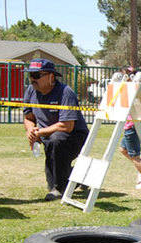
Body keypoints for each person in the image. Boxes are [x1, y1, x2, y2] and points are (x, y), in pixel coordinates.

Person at [22, 58, 88, 201]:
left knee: (56, 141)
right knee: (53, 142)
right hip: (49, 135)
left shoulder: (65, 93)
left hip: (74, 135)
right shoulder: (30, 91)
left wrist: (39, 132)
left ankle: (59, 188)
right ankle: (78, 177)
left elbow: (66, 126)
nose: (32, 79)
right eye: (30, 75)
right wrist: (31, 130)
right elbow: (28, 117)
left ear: (51, 77)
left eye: (37, 75)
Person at [118, 66, 141, 189]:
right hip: (131, 126)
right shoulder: (129, 90)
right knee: (123, 149)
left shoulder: (133, 91)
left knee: (134, 155)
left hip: (133, 126)